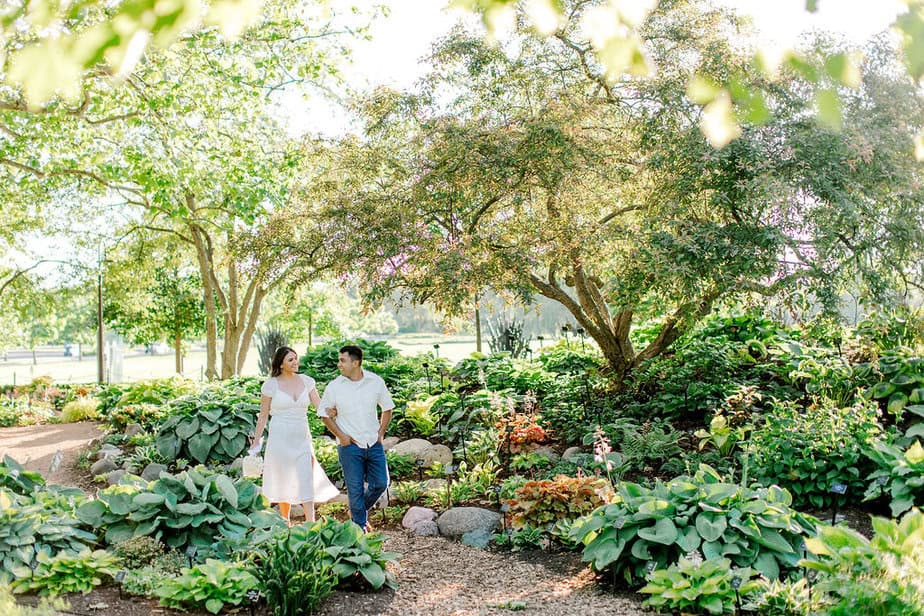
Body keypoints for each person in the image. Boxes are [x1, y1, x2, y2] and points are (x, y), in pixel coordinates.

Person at [251, 346, 338, 525]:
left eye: (296, 358)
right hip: (279, 437)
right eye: (290, 360)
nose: (295, 362)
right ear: (281, 364)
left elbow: (319, 407)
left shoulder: (307, 381)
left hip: (301, 436)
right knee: (283, 477)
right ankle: (285, 521)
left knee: (305, 475)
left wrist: (333, 412)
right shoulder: (271, 385)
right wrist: (256, 441)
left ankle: (310, 522)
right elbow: (263, 416)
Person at [318, 344, 395, 532]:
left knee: (381, 483)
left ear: (356, 362)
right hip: (349, 446)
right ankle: (359, 528)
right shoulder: (335, 386)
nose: (339, 364)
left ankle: (356, 512)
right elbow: (324, 414)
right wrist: (342, 437)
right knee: (355, 490)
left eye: (342, 360)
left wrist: (381, 433)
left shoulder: (375, 382)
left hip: (373, 442)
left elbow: (388, 408)